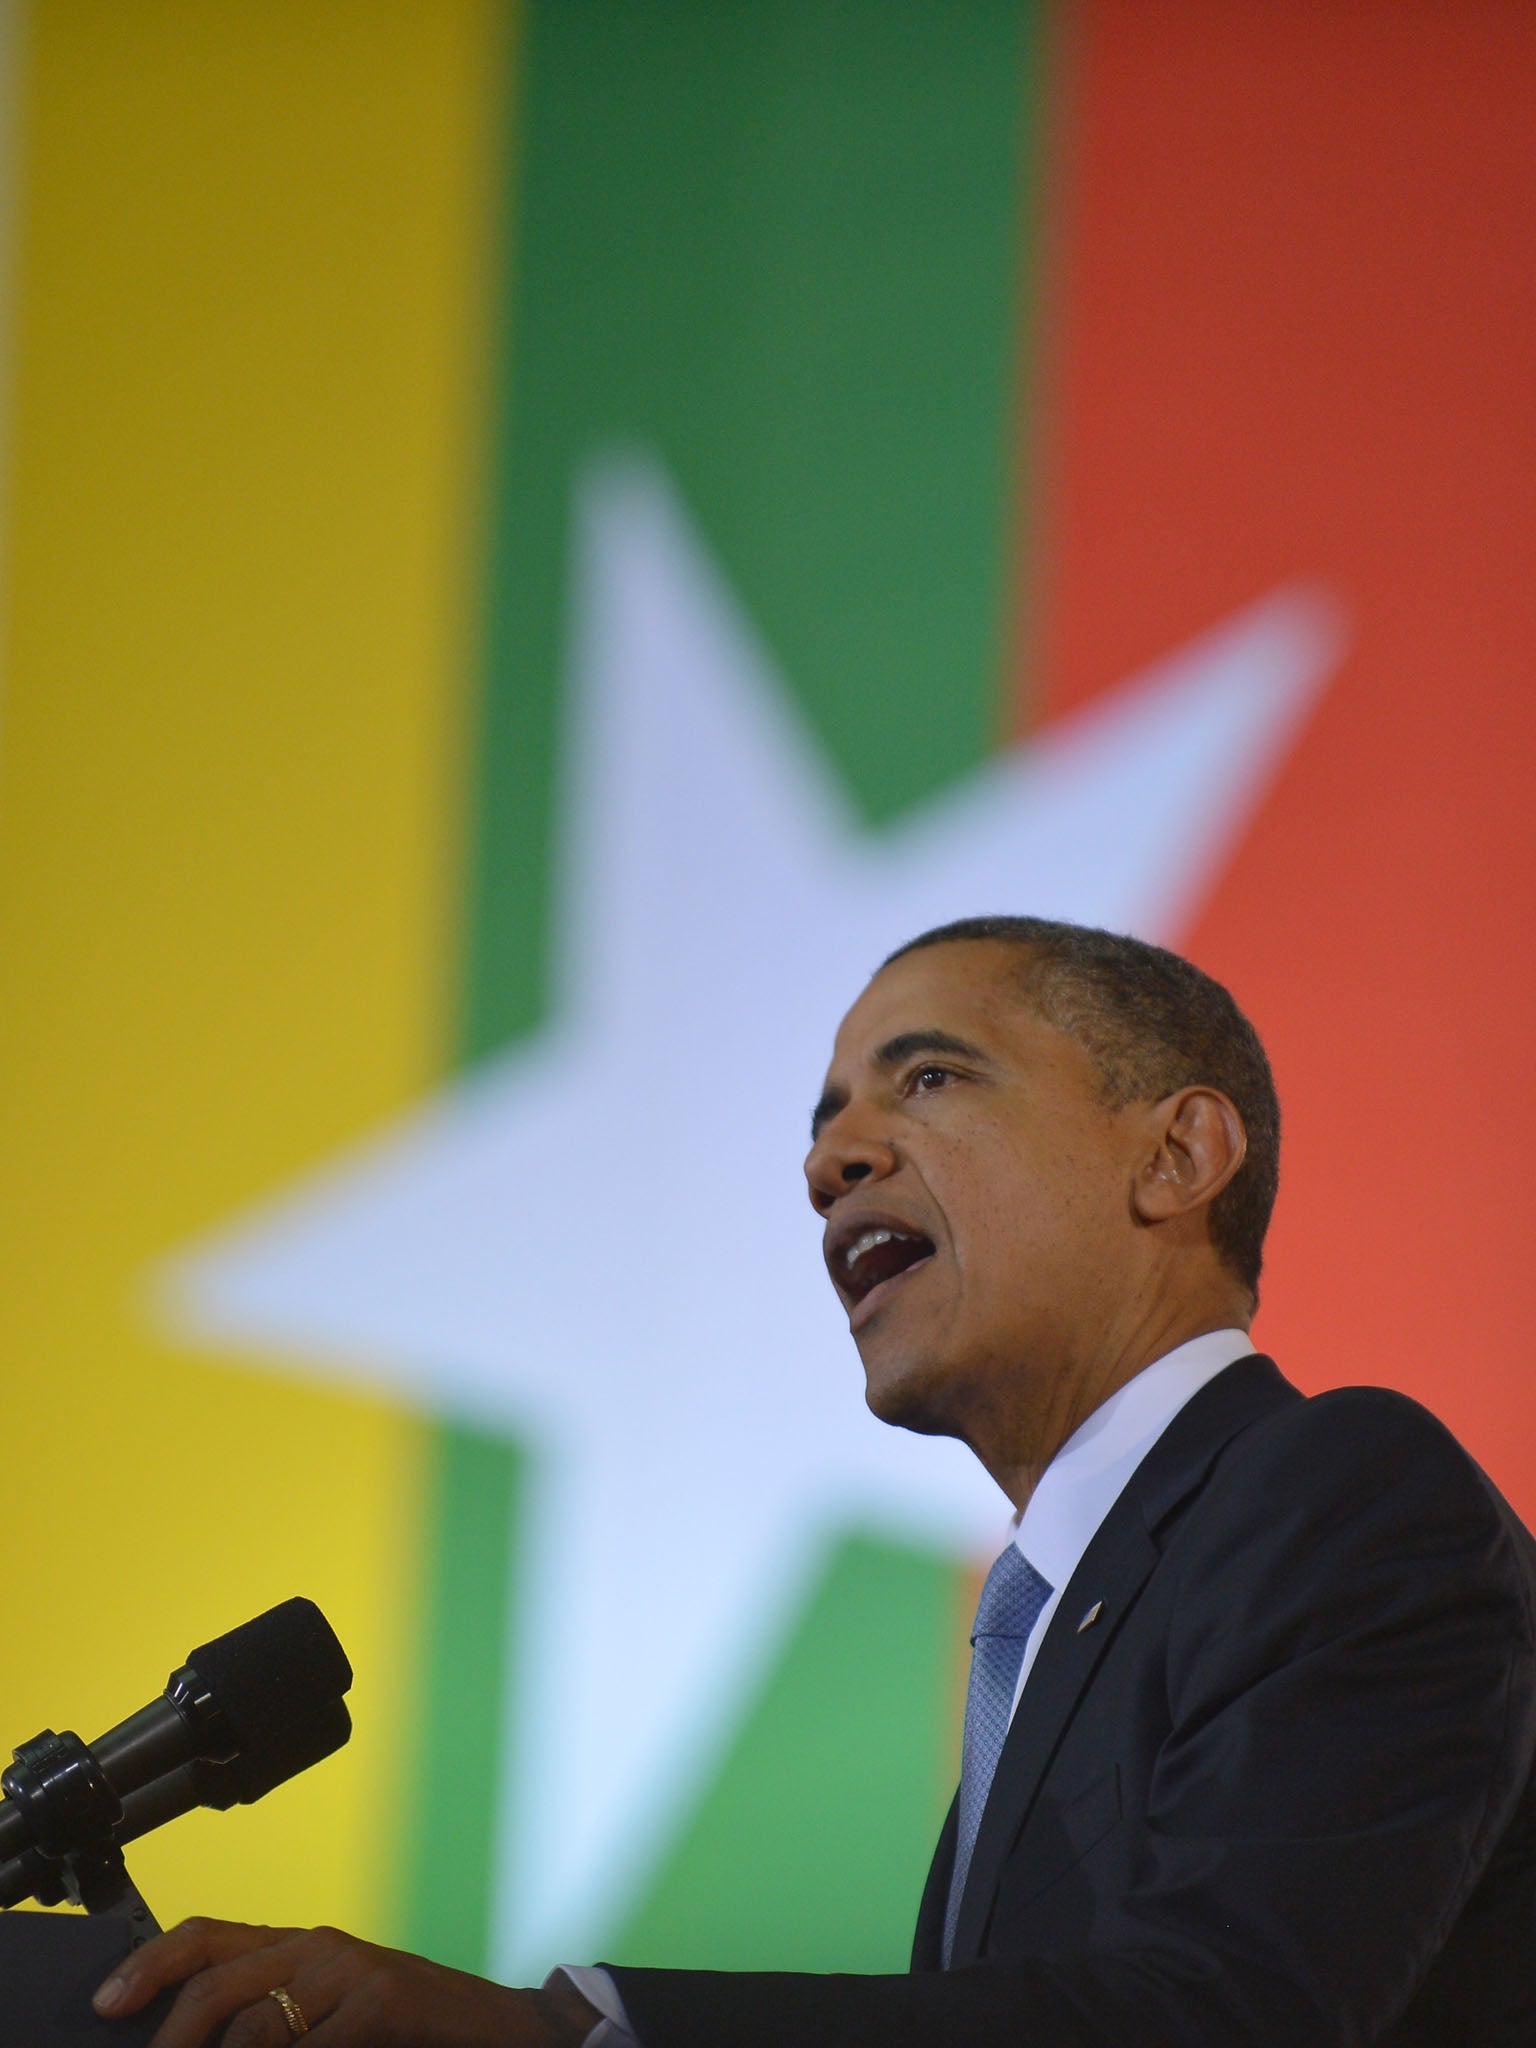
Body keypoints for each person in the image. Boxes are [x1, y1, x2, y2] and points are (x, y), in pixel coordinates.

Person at [96, 917, 1536, 2046]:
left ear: (1178, 1153)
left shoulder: (1343, 1493)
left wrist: (563, 2028)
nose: (827, 1161)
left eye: (928, 1076)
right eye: (825, 1114)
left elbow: (1232, 2017)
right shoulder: (1050, 1623)